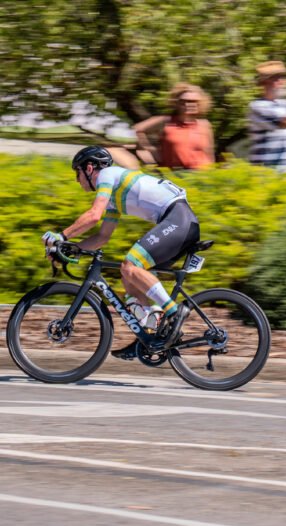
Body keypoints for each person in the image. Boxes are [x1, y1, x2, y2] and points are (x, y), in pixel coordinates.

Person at [42, 146, 201, 358]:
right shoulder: (114, 197)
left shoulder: (107, 175)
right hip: (178, 222)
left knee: (130, 265)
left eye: (77, 172)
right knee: (128, 277)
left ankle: (173, 311)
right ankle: (149, 337)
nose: (76, 179)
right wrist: (73, 249)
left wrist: (61, 236)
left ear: (89, 168)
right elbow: (102, 237)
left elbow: (93, 215)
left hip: (178, 220)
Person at [132, 83, 215, 170]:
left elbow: (210, 154)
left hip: (203, 174)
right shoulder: (165, 121)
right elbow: (134, 130)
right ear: (176, 103)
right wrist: (148, 150)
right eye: (184, 101)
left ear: (201, 103)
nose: (189, 104)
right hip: (174, 173)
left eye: (194, 101)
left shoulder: (205, 125)